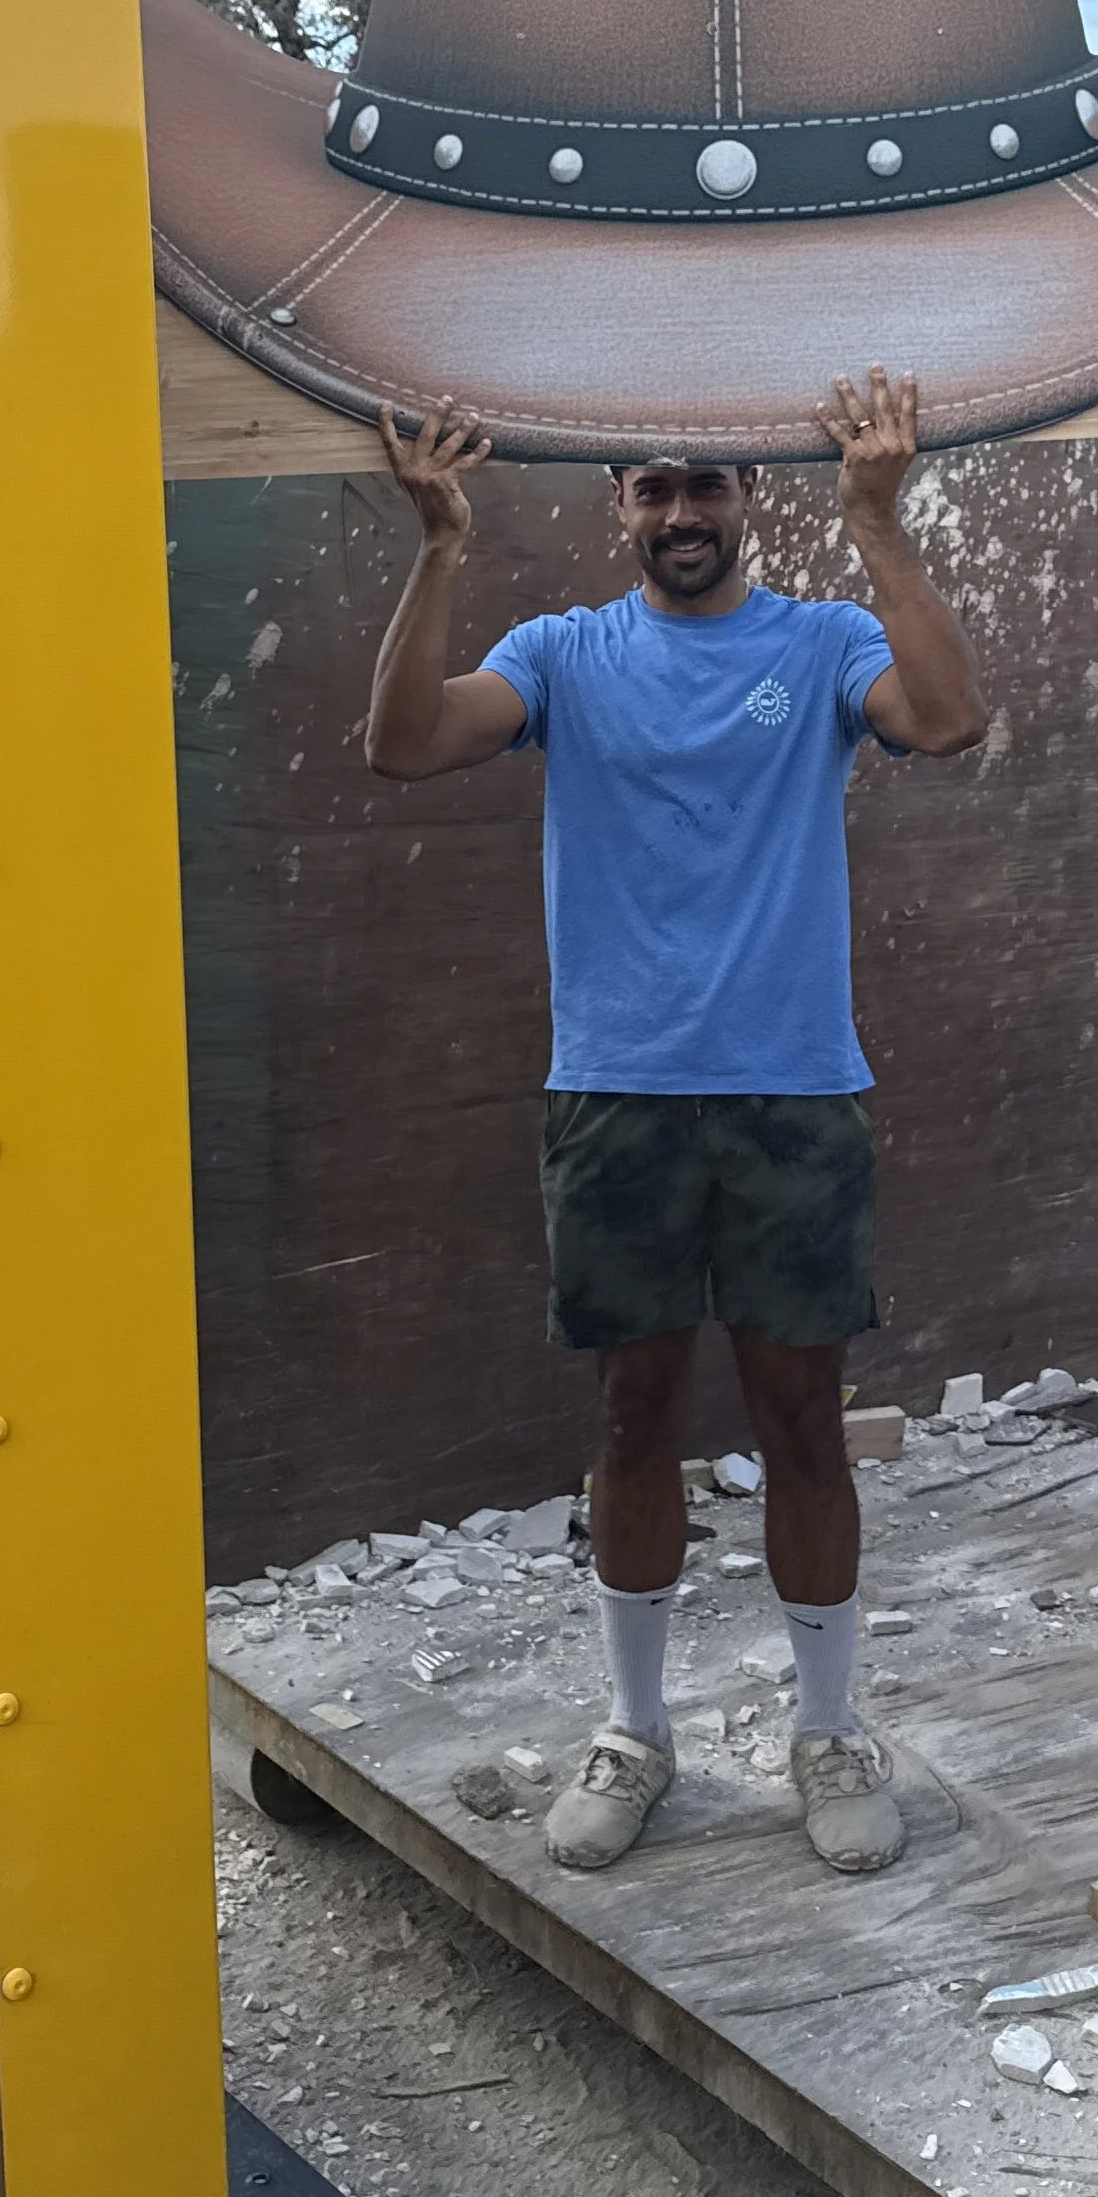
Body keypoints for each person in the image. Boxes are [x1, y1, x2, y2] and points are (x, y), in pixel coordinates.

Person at [364, 367, 988, 1877]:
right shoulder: (564, 652)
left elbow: (948, 720)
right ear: (618, 511)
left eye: (707, 483)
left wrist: (879, 523)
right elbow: (403, 744)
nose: (681, 509)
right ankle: (635, 1733)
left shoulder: (826, 639)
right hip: (618, 1092)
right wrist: (438, 546)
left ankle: (828, 1732)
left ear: (747, 502)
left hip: (792, 1092)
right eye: (653, 486)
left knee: (798, 1428)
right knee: (634, 1418)